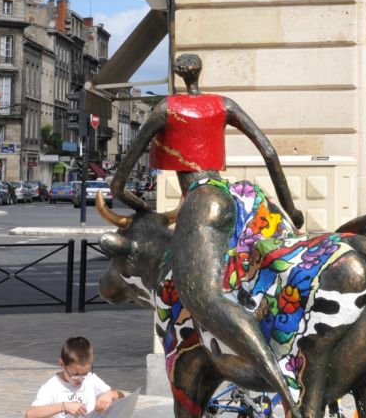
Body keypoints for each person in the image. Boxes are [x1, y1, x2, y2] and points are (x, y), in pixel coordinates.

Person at [109, 53, 305, 418]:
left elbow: (118, 184)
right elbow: (269, 152)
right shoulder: (224, 104)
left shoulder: (166, 109)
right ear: (198, 73)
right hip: (234, 193)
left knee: (206, 299)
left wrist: (138, 205)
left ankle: (283, 385)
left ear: (179, 74)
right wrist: (290, 208)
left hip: (201, 200)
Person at [25, 336, 123, 418]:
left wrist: (111, 394)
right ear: (62, 364)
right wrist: (63, 406)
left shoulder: (91, 379)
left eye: (84, 373)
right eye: (75, 374)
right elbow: (30, 414)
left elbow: (121, 396)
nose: (80, 379)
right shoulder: (52, 386)